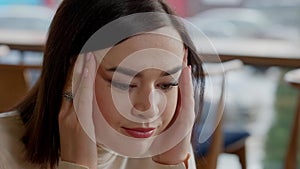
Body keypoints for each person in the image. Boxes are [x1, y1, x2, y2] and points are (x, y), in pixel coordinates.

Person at [0, 0, 205, 169]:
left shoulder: (166, 148)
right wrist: (78, 164)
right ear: (72, 73)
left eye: (167, 84)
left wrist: (170, 164)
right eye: (124, 84)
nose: (149, 108)